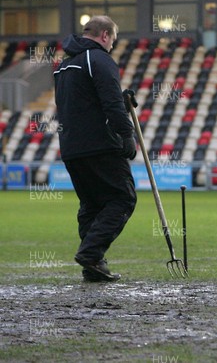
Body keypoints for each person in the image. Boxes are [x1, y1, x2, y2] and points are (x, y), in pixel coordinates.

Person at [54, 15, 137, 282]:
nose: (112, 44)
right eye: (112, 39)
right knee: (123, 199)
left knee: (91, 205)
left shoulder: (63, 66)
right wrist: (126, 135)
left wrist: (121, 103)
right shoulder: (99, 59)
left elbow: (84, 102)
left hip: (70, 147)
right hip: (101, 145)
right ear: (104, 35)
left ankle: (94, 265)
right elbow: (110, 103)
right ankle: (91, 254)